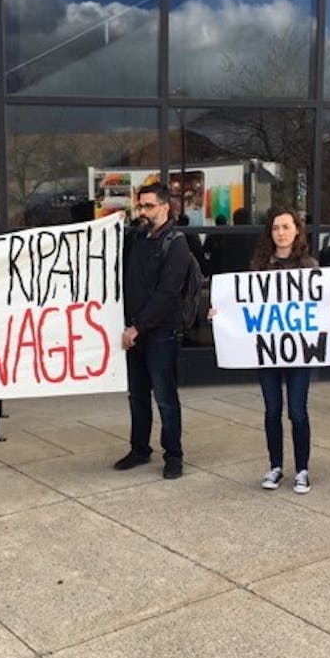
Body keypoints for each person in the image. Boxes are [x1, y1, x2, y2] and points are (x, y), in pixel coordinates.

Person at [212, 208, 330, 493]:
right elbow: (243, 304)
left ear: (297, 230)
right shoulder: (259, 266)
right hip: (267, 350)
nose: (280, 232)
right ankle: (275, 466)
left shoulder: (310, 266)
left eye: (285, 226)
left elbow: (324, 302)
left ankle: (302, 469)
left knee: (297, 411)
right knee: (272, 411)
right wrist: (221, 313)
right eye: (275, 228)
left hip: (299, 350)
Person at [114, 182, 192, 479]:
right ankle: (139, 448)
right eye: (140, 206)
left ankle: (174, 454)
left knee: (165, 397)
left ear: (165, 207)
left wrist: (137, 327)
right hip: (135, 331)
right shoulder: (136, 238)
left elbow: (167, 293)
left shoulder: (176, 243)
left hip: (161, 332)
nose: (143, 212)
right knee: (137, 395)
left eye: (148, 206)